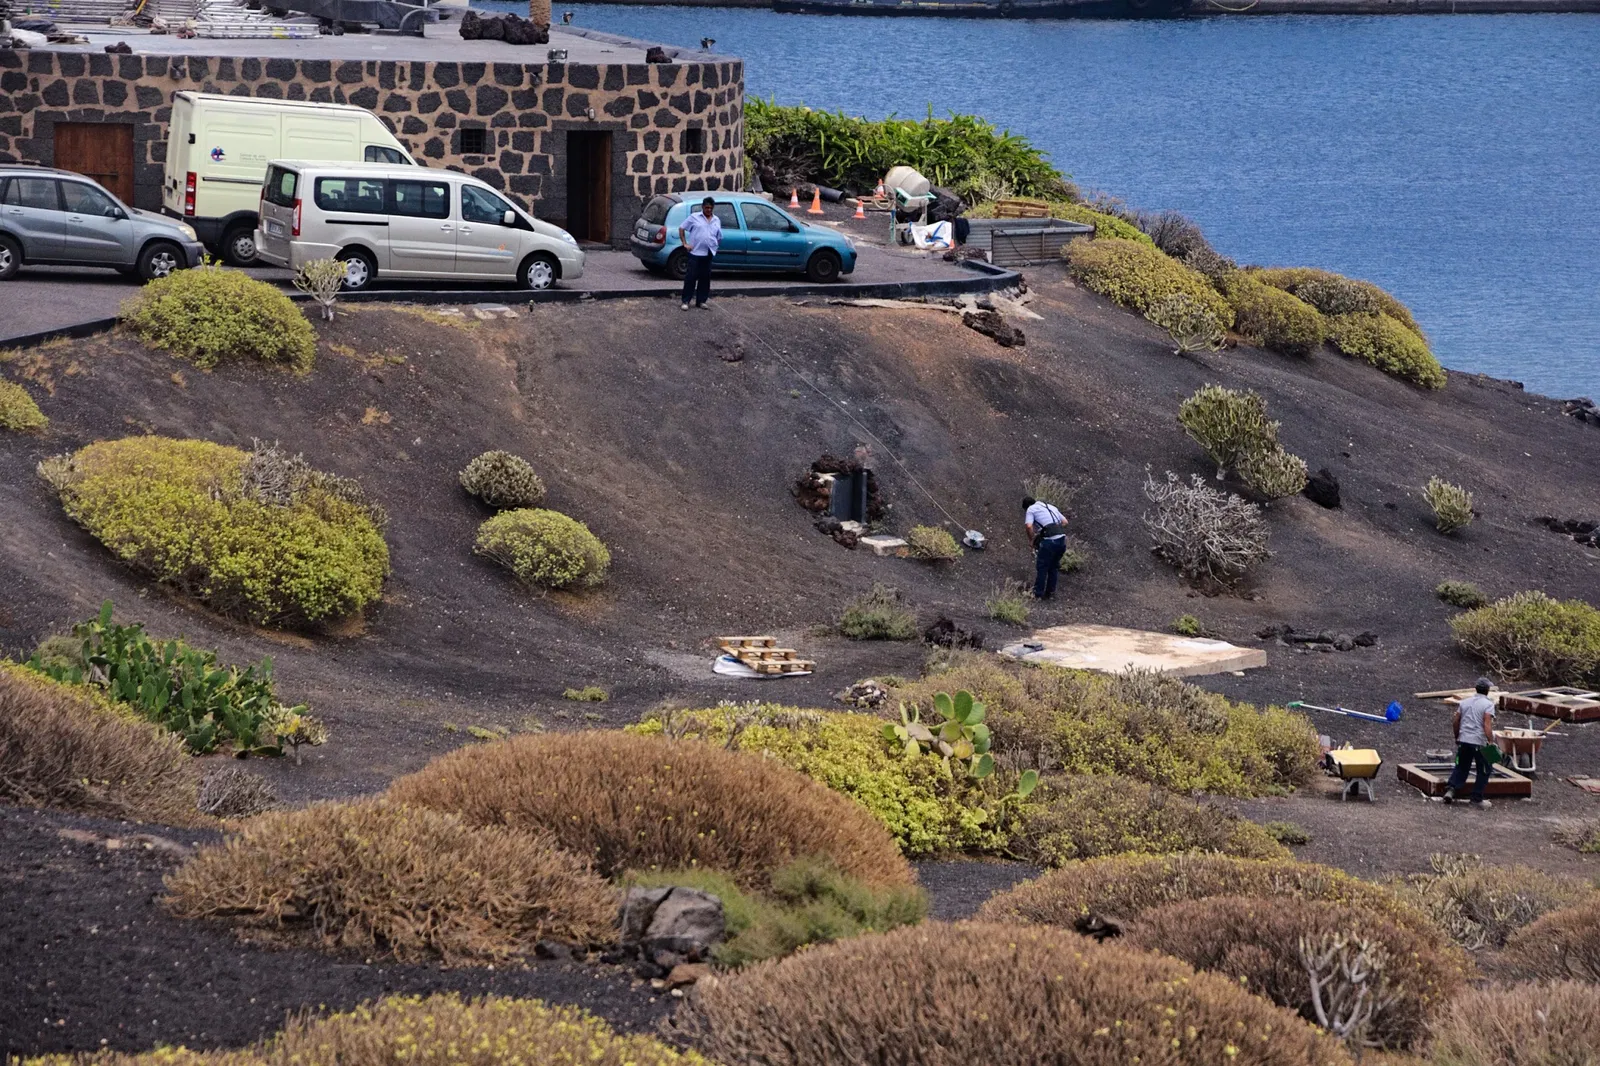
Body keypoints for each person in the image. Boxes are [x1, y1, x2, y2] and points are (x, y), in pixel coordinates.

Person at [1440, 677, 1496, 808]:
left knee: (1461, 766)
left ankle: (1451, 789)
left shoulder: (1464, 702)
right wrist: (1491, 741)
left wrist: (1457, 737)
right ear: (1487, 690)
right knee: (1484, 769)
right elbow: (1487, 725)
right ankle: (1476, 799)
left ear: (1476, 689)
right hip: (1479, 741)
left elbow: (1456, 721)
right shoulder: (1488, 705)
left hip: (1464, 740)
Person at [678, 196, 721, 310]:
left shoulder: (716, 220)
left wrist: (715, 246)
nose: (708, 210)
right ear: (702, 207)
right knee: (690, 278)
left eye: (710, 208)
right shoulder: (694, 217)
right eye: (706, 208)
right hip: (695, 253)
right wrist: (685, 243)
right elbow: (681, 228)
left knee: (705, 278)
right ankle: (686, 301)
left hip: (708, 253)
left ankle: (701, 301)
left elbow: (718, 236)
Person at [1022, 495, 1068, 601]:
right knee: (1053, 566)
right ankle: (1050, 593)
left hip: (1049, 541)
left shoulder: (1031, 509)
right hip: (1061, 540)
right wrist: (1054, 529)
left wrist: (1032, 540)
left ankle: (1037, 594)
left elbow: (1028, 526)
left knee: (1042, 567)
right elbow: (1065, 522)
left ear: (1026, 507)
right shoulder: (1051, 507)